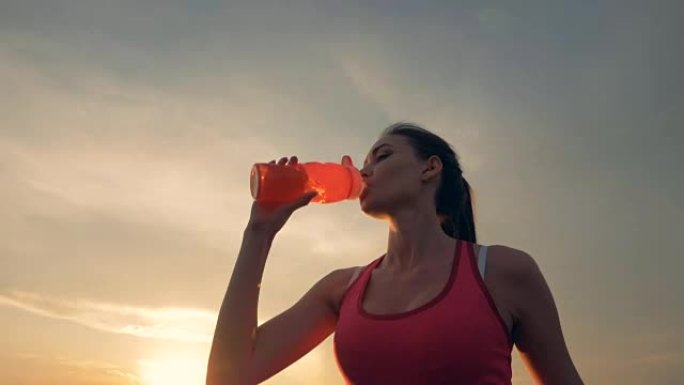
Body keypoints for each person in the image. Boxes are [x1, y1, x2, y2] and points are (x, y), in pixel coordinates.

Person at [206, 122, 584, 385]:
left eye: (381, 157)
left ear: (429, 168)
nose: (364, 171)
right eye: (364, 162)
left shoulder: (502, 271)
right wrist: (258, 233)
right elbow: (228, 378)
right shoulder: (343, 289)